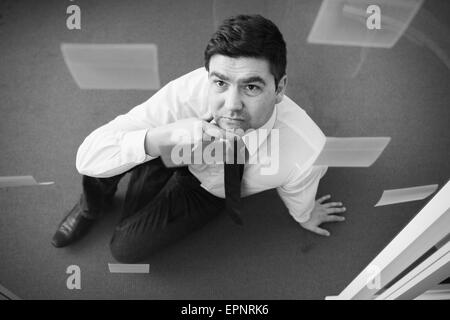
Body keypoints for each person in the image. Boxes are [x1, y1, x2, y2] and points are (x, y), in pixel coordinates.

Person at [52, 14, 346, 263]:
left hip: (207, 190)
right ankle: (94, 206)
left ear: (279, 88)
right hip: (172, 146)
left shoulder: (308, 149)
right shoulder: (189, 91)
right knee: (112, 151)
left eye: (252, 87)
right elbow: (88, 156)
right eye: (220, 83)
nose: (231, 105)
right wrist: (157, 139)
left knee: (124, 248)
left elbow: (298, 190)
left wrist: (305, 215)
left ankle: (143, 174)